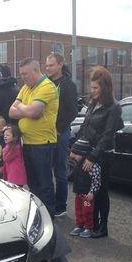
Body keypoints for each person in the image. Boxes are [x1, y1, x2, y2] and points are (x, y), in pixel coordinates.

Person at [76, 66, 124, 238]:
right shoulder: (93, 103)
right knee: (88, 189)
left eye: (95, 88)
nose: (92, 91)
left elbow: (107, 136)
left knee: (100, 190)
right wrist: (78, 148)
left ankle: (103, 226)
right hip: (89, 151)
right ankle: (91, 223)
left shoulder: (114, 107)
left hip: (103, 155)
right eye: (91, 87)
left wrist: (92, 156)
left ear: (105, 87)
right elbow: (85, 126)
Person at [9, 58, 59, 216]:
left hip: (42, 143)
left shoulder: (47, 87)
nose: (22, 77)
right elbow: (11, 111)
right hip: (28, 142)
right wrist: (28, 110)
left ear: (36, 71)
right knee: (32, 182)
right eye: (21, 74)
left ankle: (50, 215)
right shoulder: (26, 87)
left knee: (44, 183)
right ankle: (38, 213)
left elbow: (30, 112)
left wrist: (23, 109)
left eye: (25, 74)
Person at [46, 53, 78, 217]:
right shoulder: (47, 83)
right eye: (47, 66)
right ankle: (49, 203)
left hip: (60, 133)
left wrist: (59, 129)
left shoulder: (67, 85)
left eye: (51, 65)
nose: (48, 68)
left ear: (60, 64)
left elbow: (73, 110)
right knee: (47, 170)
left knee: (59, 171)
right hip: (46, 133)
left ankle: (61, 206)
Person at [68, 139, 102, 238]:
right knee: (78, 210)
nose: (72, 156)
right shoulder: (78, 163)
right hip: (79, 193)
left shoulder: (93, 166)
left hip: (87, 195)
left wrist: (92, 192)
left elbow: (96, 180)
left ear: (82, 154)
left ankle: (89, 227)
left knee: (87, 211)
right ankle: (79, 225)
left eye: (75, 153)